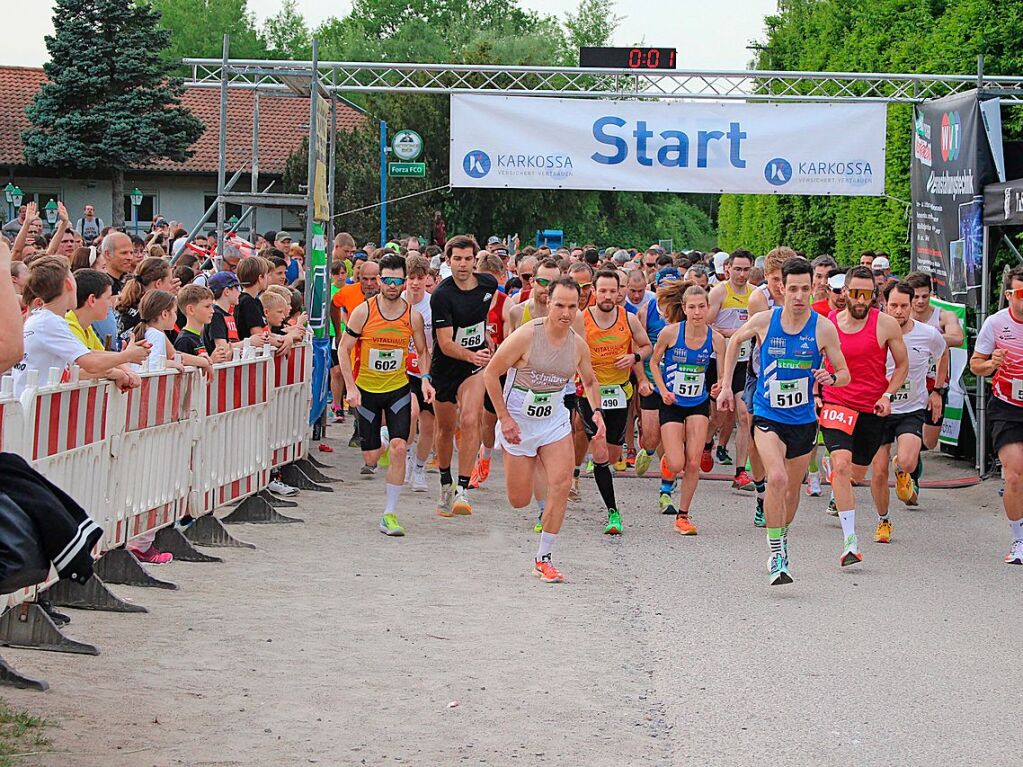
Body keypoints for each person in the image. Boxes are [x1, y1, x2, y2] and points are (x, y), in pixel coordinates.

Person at [718, 257, 850, 585]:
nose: (799, 295)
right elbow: (734, 341)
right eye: (793, 288)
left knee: (792, 490)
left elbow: (845, 373)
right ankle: (776, 553)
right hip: (767, 413)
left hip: (803, 419)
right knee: (775, 478)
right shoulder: (765, 320)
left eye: (806, 289)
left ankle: (782, 537)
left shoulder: (823, 327)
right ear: (782, 288)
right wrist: (724, 386)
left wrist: (830, 379)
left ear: (813, 288)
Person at [484, 277, 605, 583]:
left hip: (553, 421)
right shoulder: (527, 336)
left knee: (562, 484)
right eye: (559, 305)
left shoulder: (577, 344)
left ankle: (544, 557)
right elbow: (491, 373)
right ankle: (532, 461)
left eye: (572, 306)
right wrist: (504, 419)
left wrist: (598, 411)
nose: (565, 313)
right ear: (548, 303)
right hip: (518, 423)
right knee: (519, 500)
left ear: (580, 307)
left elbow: (589, 381)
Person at [338, 253, 434, 536]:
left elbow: (423, 350)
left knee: (400, 447)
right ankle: (377, 442)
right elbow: (344, 349)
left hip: (398, 389)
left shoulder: (412, 316)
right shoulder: (363, 312)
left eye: (397, 281)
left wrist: (426, 379)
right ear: (379, 281)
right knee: (369, 458)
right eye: (387, 280)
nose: (392, 286)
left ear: (404, 282)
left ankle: (389, 514)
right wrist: (351, 388)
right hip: (367, 390)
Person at [820, 265, 908, 567]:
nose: (860, 300)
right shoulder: (829, 322)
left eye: (867, 295)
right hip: (837, 401)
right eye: (855, 293)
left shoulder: (885, 325)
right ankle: (850, 542)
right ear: (844, 292)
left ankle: (832, 471)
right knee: (843, 468)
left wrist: (888, 395)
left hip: (872, 407)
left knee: (856, 474)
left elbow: (901, 366)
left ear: (874, 295)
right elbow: (819, 355)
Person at [572, 269, 652, 535]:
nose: (607, 296)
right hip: (589, 393)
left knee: (612, 453)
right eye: (602, 290)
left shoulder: (629, 319)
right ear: (594, 291)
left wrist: (634, 359)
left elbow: (646, 346)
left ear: (620, 292)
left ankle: (600, 466)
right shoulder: (580, 320)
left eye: (612, 291)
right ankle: (613, 512)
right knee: (600, 449)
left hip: (619, 394)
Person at [868, 282, 947, 542]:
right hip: (880, 408)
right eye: (894, 306)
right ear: (884, 304)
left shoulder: (928, 334)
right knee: (878, 471)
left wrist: (937, 390)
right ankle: (883, 520)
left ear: (913, 305)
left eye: (904, 306)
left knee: (909, 461)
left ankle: (902, 469)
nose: (899, 311)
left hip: (911, 408)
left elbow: (943, 353)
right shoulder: (875, 332)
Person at [10, 256, 149, 396]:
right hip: (35, 409)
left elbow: (88, 352)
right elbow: (90, 363)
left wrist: (123, 361)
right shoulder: (48, 322)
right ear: (69, 284)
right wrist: (127, 356)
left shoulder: (46, 319)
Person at [429, 235, 497, 517]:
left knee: (470, 419)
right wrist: (472, 353)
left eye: (468, 259)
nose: (463, 264)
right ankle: (446, 482)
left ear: (475, 260)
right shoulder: (442, 295)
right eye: (457, 259)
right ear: (448, 261)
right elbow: (444, 343)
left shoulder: (488, 284)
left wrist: (485, 337)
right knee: (445, 428)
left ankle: (463, 489)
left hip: (474, 366)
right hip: (446, 366)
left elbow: (484, 313)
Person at [650, 283, 724, 534]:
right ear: (684, 308)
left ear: (708, 308)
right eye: (691, 307)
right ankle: (667, 461)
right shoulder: (670, 333)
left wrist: (718, 387)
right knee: (676, 462)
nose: (697, 312)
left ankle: (683, 516)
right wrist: (662, 390)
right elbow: (654, 362)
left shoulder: (716, 339)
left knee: (693, 463)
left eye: (701, 307)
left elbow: (722, 375)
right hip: (672, 403)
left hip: (698, 403)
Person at [970, 266, 1023, 563]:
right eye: (1021, 294)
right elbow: (975, 365)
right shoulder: (995, 323)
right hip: (1007, 406)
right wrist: (991, 363)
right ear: (1009, 295)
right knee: (1014, 473)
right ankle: (1018, 540)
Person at [905, 270, 965, 494]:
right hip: (909, 381)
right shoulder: (900, 315)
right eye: (916, 297)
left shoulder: (943, 316)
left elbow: (957, 338)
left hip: (935, 383)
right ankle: (910, 476)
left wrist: (926, 337)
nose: (920, 302)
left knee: (930, 442)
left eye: (925, 296)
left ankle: (912, 454)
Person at [706, 249, 755, 487]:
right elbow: (705, 325)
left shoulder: (755, 295)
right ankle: (707, 444)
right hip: (720, 360)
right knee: (718, 416)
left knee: (744, 416)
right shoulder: (719, 293)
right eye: (737, 269)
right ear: (728, 269)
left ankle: (740, 472)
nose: (741, 274)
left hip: (744, 363)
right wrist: (732, 334)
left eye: (746, 269)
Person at [402, 255, 435, 492]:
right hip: (403, 369)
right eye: (411, 278)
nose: (415, 283)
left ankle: (420, 468)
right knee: (411, 412)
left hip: (429, 369)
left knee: (429, 423)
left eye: (420, 278)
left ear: (427, 280)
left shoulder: (434, 304)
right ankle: (406, 455)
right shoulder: (398, 302)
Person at [115, 256, 176, 341]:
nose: (171, 287)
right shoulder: (150, 313)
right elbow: (171, 352)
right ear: (158, 283)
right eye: (170, 282)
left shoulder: (128, 301)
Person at [201, 271, 242, 355]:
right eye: (237, 288)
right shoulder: (216, 314)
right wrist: (249, 342)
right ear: (227, 291)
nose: (240, 292)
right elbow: (222, 348)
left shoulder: (226, 314)